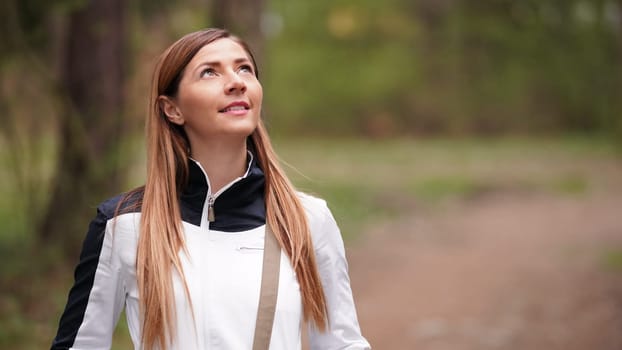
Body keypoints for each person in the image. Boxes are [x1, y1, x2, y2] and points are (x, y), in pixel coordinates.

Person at [50, 28, 371, 350]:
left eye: (244, 68)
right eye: (209, 72)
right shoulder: (124, 224)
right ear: (171, 109)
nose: (236, 82)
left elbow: (342, 344)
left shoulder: (306, 220)